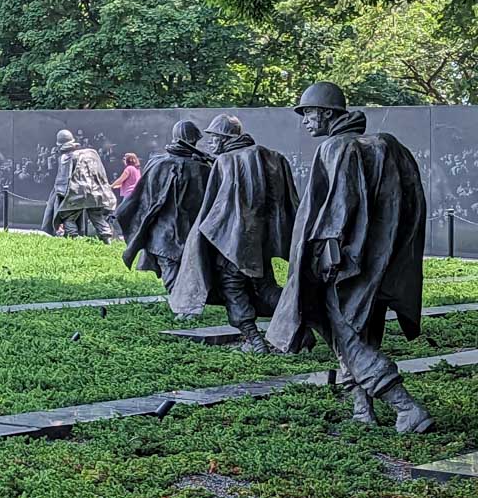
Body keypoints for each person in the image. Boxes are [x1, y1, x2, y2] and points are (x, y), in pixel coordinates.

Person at [268, 82, 434, 433]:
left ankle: (406, 407)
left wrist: (324, 260)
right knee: (360, 332)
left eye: (309, 113)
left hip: (341, 265)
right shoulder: (384, 147)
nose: (305, 121)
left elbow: (336, 209)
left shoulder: (335, 147)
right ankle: (362, 411)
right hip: (376, 265)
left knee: (345, 333)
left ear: (328, 113)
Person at [169, 114, 299, 353]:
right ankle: (302, 326)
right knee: (266, 286)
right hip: (263, 242)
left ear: (225, 138)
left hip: (231, 241)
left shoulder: (226, 161)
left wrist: (204, 238)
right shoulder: (272, 156)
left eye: (214, 137)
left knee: (232, 287)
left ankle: (254, 340)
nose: (211, 143)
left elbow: (215, 208)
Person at [116, 121, 210, 289]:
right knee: (178, 269)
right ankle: (182, 307)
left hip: (166, 232)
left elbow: (144, 199)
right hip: (181, 232)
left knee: (174, 269)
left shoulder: (161, 164)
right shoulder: (202, 168)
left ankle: (183, 307)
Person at [41, 129, 116, 242]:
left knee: (68, 217)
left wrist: (59, 196)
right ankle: (107, 240)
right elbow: (101, 175)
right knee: (97, 217)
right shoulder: (92, 153)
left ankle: (74, 241)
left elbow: (63, 181)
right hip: (95, 192)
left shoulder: (65, 158)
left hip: (76, 193)